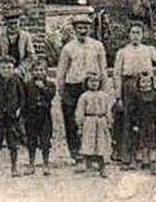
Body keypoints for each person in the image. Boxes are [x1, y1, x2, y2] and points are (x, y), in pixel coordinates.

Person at [55, 12, 108, 166]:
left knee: (92, 120)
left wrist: (104, 88)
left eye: (85, 27)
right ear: (74, 29)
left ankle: (92, 152)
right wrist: (61, 89)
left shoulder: (97, 46)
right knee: (72, 120)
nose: (82, 30)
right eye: (79, 27)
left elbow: (103, 68)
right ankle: (75, 151)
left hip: (92, 86)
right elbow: (61, 70)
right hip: (73, 86)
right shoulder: (68, 48)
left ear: (89, 29)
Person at [112, 22, 156, 164]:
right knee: (128, 119)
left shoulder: (149, 50)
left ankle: (142, 154)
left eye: (138, 33)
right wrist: (118, 95)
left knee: (144, 119)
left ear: (143, 35)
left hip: (145, 86)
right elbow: (117, 74)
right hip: (128, 86)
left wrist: (154, 78)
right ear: (129, 35)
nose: (135, 36)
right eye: (133, 33)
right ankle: (126, 155)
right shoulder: (123, 51)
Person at [0, 55, 26, 178]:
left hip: (12, 117)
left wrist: (19, 109)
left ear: (13, 68)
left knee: (13, 144)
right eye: (3, 68)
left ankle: (14, 168)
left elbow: (22, 97)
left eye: (9, 68)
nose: (6, 71)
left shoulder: (17, 81)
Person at [74, 72, 114, 177]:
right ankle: (89, 167)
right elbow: (80, 111)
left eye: (96, 81)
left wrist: (109, 122)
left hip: (101, 121)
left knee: (100, 145)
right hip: (89, 121)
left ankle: (102, 168)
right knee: (88, 144)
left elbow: (108, 110)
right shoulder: (84, 96)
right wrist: (80, 124)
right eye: (91, 81)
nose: (94, 84)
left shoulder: (104, 96)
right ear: (86, 83)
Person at [22, 60, 55, 175]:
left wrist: (42, 88)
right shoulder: (27, 84)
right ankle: (31, 163)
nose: (39, 72)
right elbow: (24, 100)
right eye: (36, 70)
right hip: (31, 115)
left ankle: (46, 163)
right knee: (31, 139)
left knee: (45, 140)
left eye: (41, 70)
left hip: (45, 116)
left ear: (46, 72)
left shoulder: (50, 85)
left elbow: (50, 96)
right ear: (31, 72)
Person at [128, 71, 156, 173]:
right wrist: (134, 123)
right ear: (139, 82)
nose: (146, 83)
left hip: (152, 122)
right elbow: (132, 110)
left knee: (152, 144)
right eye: (143, 81)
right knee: (141, 144)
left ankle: (153, 164)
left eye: (148, 81)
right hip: (141, 123)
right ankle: (142, 163)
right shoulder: (136, 94)